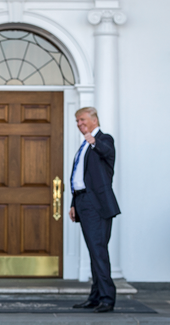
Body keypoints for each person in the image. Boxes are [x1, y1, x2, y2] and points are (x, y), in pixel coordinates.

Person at [69, 107, 121, 313]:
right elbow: (79, 176)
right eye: (77, 121)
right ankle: (96, 296)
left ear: (94, 120)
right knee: (94, 251)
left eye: (82, 120)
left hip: (96, 205)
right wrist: (74, 203)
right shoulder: (84, 145)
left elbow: (107, 152)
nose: (79, 124)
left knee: (99, 251)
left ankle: (107, 298)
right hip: (83, 202)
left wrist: (94, 141)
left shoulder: (104, 140)